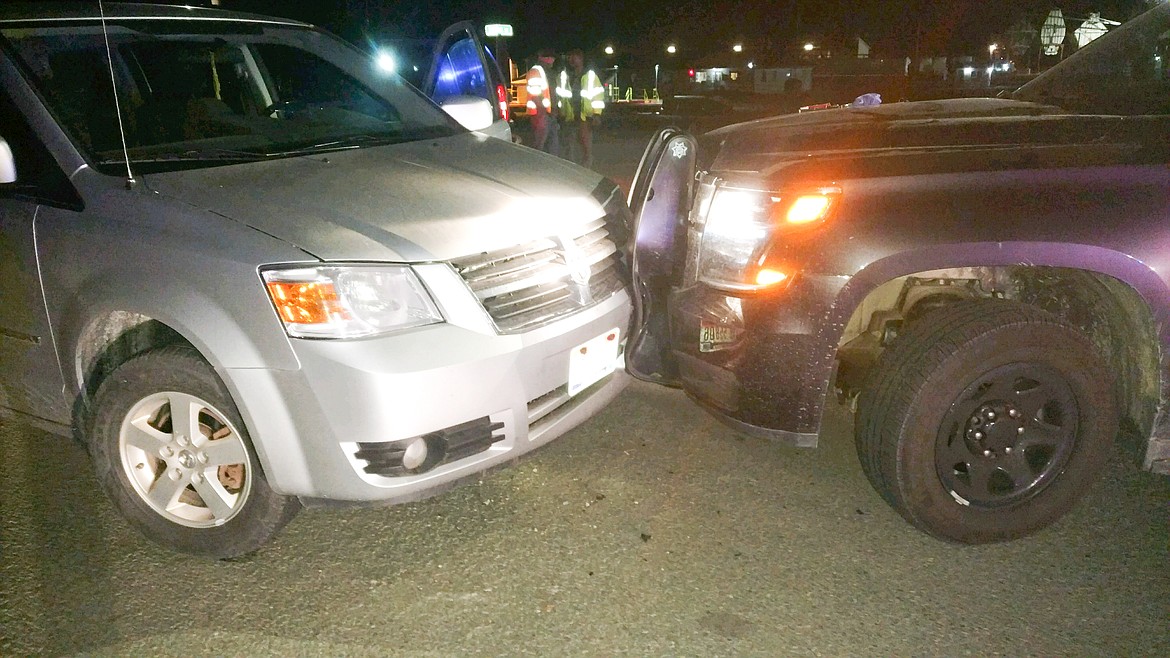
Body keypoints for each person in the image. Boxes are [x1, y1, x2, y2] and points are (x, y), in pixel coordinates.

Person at [556, 49, 604, 168]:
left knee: (585, 143)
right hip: (569, 115)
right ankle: (571, 168)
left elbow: (598, 96)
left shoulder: (590, 76)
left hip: (584, 116)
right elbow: (560, 95)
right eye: (569, 57)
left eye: (574, 57)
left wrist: (596, 114)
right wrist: (560, 111)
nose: (571, 60)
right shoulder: (564, 76)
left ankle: (587, 165)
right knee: (569, 144)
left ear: (581, 59)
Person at [525, 50, 559, 155]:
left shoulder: (546, 72)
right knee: (539, 145)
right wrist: (543, 113)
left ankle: (552, 167)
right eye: (550, 57)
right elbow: (535, 95)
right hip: (541, 114)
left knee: (551, 144)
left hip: (548, 114)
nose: (552, 60)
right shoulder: (535, 72)